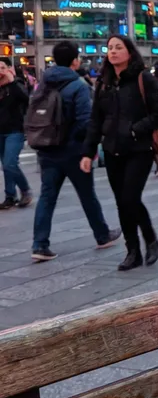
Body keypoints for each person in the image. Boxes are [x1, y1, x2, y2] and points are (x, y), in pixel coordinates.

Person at [80, 35, 158, 271]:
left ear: (129, 52)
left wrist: (136, 129)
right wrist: (88, 153)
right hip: (112, 150)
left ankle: (149, 238)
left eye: (119, 47)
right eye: (110, 48)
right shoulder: (104, 83)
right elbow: (95, 120)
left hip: (139, 149)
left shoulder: (143, 78)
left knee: (129, 198)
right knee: (122, 202)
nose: (113, 52)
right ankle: (133, 252)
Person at [31, 41, 120, 261]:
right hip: (72, 151)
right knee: (87, 194)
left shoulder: (42, 84)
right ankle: (102, 235)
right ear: (74, 61)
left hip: (47, 148)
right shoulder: (78, 85)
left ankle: (39, 245)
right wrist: (87, 147)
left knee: (47, 197)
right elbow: (84, 121)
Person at [0, 57, 32, 208]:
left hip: (15, 131)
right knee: (5, 165)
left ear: (8, 69)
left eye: (2, 68)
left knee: (10, 163)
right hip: (1, 131)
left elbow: (26, 99)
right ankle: (10, 196)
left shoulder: (16, 84)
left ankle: (25, 190)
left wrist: (11, 81)